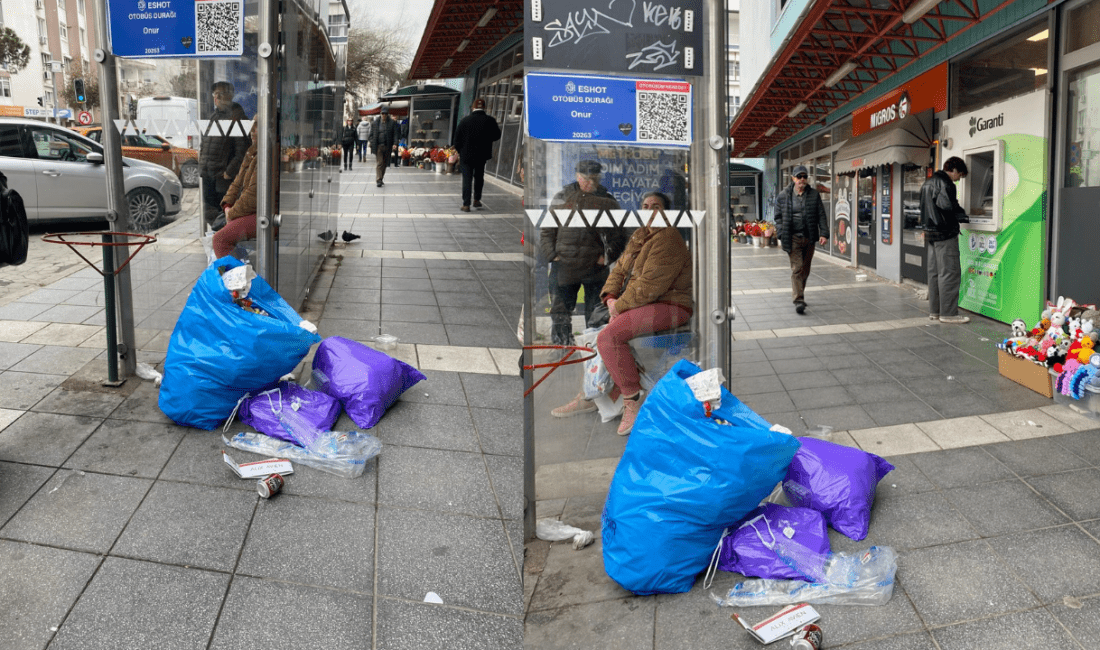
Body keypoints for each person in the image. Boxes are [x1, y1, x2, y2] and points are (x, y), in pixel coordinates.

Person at [551, 191, 693, 435]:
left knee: (609, 337)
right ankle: (590, 395)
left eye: (656, 206)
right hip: (641, 303)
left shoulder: (668, 237)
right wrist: (610, 298)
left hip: (670, 305)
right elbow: (617, 272)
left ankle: (632, 400)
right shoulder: (641, 235)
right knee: (597, 334)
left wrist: (620, 306)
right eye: (645, 205)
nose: (649, 210)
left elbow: (650, 285)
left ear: (665, 212)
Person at [540, 160, 627, 352]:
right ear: (578, 177)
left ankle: (594, 352)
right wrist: (553, 256)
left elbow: (619, 235)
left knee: (596, 313)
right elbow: (547, 230)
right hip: (564, 266)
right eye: (587, 179)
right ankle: (562, 349)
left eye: (595, 179)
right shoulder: (563, 197)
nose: (591, 183)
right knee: (560, 311)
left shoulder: (607, 201)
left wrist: (606, 256)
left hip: (595, 268)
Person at [213, 123, 278, 258]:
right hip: (249, 211)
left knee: (220, 240)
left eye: (257, 126)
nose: (252, 131)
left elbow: (254, 195)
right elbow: (237, 182)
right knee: (221, 232)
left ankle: (234, 277)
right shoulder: (253, 151)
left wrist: (232, 213)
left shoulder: (270, 153)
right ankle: (239, 271)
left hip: (266, 214)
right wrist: (227, 205)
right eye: (252, 126)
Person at [920, 156, 971, 324]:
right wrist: (964, 215)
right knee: (949, 272)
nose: (959, 179)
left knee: (934, 273)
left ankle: (935, 311)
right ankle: (948, 314)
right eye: (960, 175)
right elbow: (947, 206)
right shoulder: (946, 183)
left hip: (931, 234)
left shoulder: (928, 182)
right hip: (945, 233)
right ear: (954, 170)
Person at [775, 164, 829, 314]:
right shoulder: (783, 195)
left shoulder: (814, 194)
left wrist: (824, 233)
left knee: (805, 270)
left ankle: (800, 293)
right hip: (792, 237)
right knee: (797, 268)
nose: (802, 179)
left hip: (809, 237)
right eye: (799, 177)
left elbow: (821, 215)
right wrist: (781, 233)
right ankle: (798, 299)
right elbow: (778, 218)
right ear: (793, 178)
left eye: (805, 176)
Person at [199, 82, 249, 226]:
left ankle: (226, 243)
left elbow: (243, 151)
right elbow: (206, 143)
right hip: (209, 175)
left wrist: (228, 172)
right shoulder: (214, 116)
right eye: (215, 95)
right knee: (210, 214)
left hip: (223, 179)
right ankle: (220, 242)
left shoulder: (237, 117)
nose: (217, 98)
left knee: (225, 216)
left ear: (230, 95)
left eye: (221, 95)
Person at [453, 97, 501, 212]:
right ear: (484, 107)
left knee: (467, 179)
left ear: (473, 107)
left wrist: (461, 151)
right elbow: (496, 136)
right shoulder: (490, 120)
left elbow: (456, 140)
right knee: (479, 177)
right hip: (482, 155)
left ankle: (466, 204)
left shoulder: (464, 121)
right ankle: (477, 200)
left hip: (466, 156)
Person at [370, 106, 400, 187]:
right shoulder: (375, 123)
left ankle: (381, 178)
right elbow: (371, 135)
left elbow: (395, 135)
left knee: (385, 163)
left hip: (388, 146)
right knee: (380, 163)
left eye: (385, 114)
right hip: (378, 146)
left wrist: (395, 143)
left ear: (387, 114)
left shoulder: (392, 123)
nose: (384, 115)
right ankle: (378, 179)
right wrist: (372, 142)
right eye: (383, 113)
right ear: (380, 114)